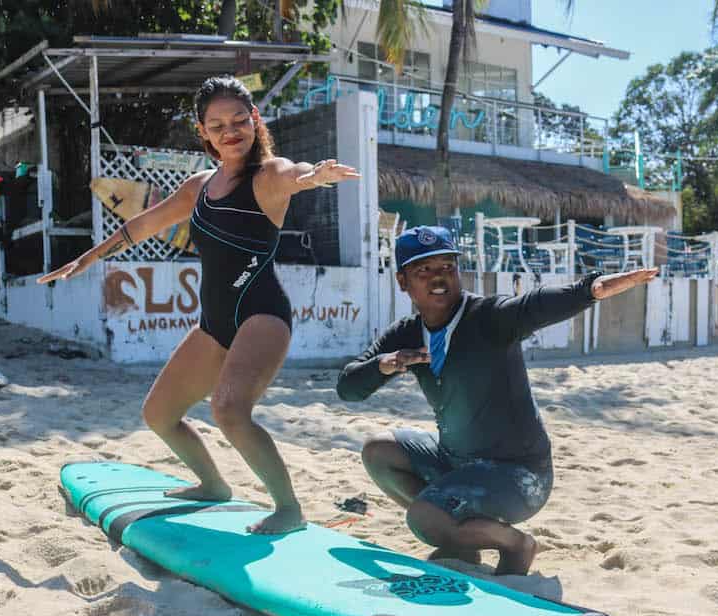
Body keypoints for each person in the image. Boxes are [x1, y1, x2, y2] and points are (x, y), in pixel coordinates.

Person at [39, 75, 359, 533]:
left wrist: (315, 177)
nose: (230, 131)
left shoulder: (269, 177)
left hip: (262, 314)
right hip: (214, 323)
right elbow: (142, 226)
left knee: (229, 410)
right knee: (159, 415)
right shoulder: (198, 187)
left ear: (254, 121)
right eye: (217, 124)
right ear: (203, 132)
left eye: (238, 120)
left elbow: (296, 174)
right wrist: (87, 258)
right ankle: (213, 485)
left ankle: (288, 509)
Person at [336, 226, 657, 575]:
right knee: (377, 451)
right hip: (456, 459)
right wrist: (386, 364)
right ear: (402, 281)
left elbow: (534, 306)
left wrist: (590, 290)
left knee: (423, 518)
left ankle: (517, 544)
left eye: (447, 267)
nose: (438, 278)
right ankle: (460, 538)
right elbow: (349, 387)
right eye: (423, 271)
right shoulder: (408, 333)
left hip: (517, 475)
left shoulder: (488, 317)